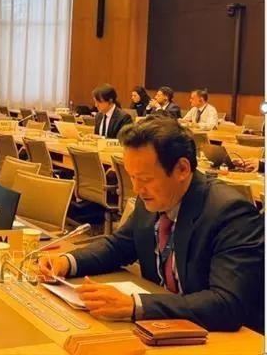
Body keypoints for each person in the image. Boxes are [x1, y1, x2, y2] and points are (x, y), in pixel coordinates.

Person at [39, 117, 264, 332]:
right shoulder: (155, 198)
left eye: (145, 179)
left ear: (182, 169)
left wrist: (134, 305)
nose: (136, 189)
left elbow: (226, 304)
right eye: (132, 177)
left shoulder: (230, 213)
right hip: (161, 329)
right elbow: (119, 246)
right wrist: (67, 262)